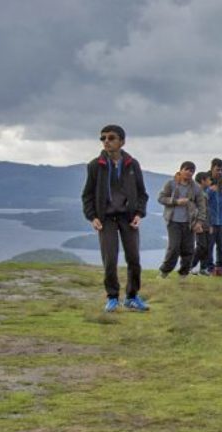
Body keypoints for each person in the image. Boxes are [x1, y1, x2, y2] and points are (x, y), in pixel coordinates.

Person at [80, 124, 149, 313]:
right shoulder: (95, 165)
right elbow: (87, 195)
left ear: (122, 141)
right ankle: (112, 297)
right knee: (110, 259)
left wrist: (138, 214)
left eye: (111, 138)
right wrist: (92, 217)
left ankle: (132, 297)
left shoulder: (132, 164)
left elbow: (142, 194)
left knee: (134, 259)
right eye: (103, 138)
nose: (106, 142)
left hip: (128, 218)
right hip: (106, 219)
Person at [157, 161, 206, 279]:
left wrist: (199, 222)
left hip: (189, 223)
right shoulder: (171, 183)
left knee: (188, 249)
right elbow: (161, 198)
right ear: (181, 170)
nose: (189, 173)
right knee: (174, 248)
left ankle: (183, 274)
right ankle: (164, 272)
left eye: (192, 171)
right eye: (187, 169)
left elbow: (202, 206)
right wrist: (176, 202)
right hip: (173, 221)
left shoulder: (196, 187)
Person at [191, 172, 215, 276]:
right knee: (201, 246)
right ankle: (189, 266)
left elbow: (207, 211)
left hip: (206, 224)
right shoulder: (195, 193)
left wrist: (209, 225)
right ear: (202, 181)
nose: (210, 182)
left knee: (207, 246)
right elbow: (195, 210)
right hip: (199, 224)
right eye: (208, 180)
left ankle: (203, 268)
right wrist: (197, 223)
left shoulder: (204, 193)